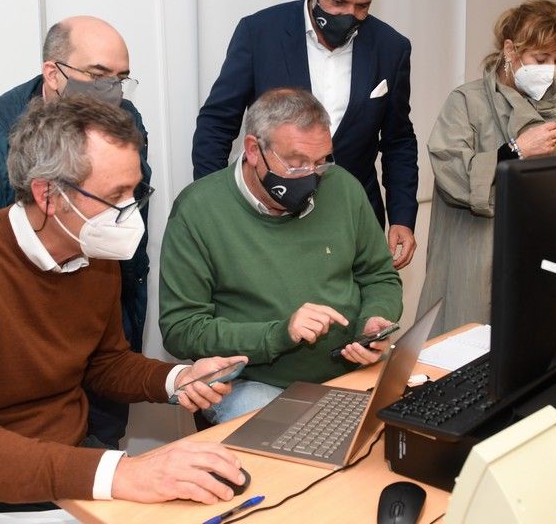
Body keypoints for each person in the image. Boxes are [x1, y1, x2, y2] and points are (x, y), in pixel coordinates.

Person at [0, 96, 248, 522]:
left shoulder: (94, 250)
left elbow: (103, 363)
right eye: (115, 195)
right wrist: (123, 473)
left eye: (135, 192)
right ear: (48, 195)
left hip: (68, 462)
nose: (130, 214)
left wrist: (178, 378)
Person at [0, 16, 149, 449]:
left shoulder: (123, 120)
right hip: (6, 342)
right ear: (53, 72)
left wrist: (177, 377)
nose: (112, 91)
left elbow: (107, 364)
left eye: (121, 78)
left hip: (89, 304)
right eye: (98, 76)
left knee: (96, 434)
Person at [161, 88, 403, 423]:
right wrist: (279, 333)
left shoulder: (342, 187)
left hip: (348, 372)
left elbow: (379, 276)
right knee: (312, 449)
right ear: (253, 150)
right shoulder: (198, 211)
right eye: (296, 163)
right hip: (254, 383)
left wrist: (374, 320)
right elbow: (182, 329)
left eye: (320, 162)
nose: (311, 176)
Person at [192, 0, 418, 270]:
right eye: (337, 2)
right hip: (271, 212)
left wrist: (402, 215)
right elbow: (216, 123)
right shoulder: (260, 33)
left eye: (362, 6)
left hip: (353, 218)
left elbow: (399, 140)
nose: (349, 15)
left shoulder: (391, 47)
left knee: (356, 316)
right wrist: (211, 204)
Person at [416, 0, 556, 337]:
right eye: (541, 59)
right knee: (464, 344)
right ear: (510, 50)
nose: (550, 69)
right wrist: (517, 151)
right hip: (473, 248)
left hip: (536, 247)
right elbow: (452, 173)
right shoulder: (466, 101)